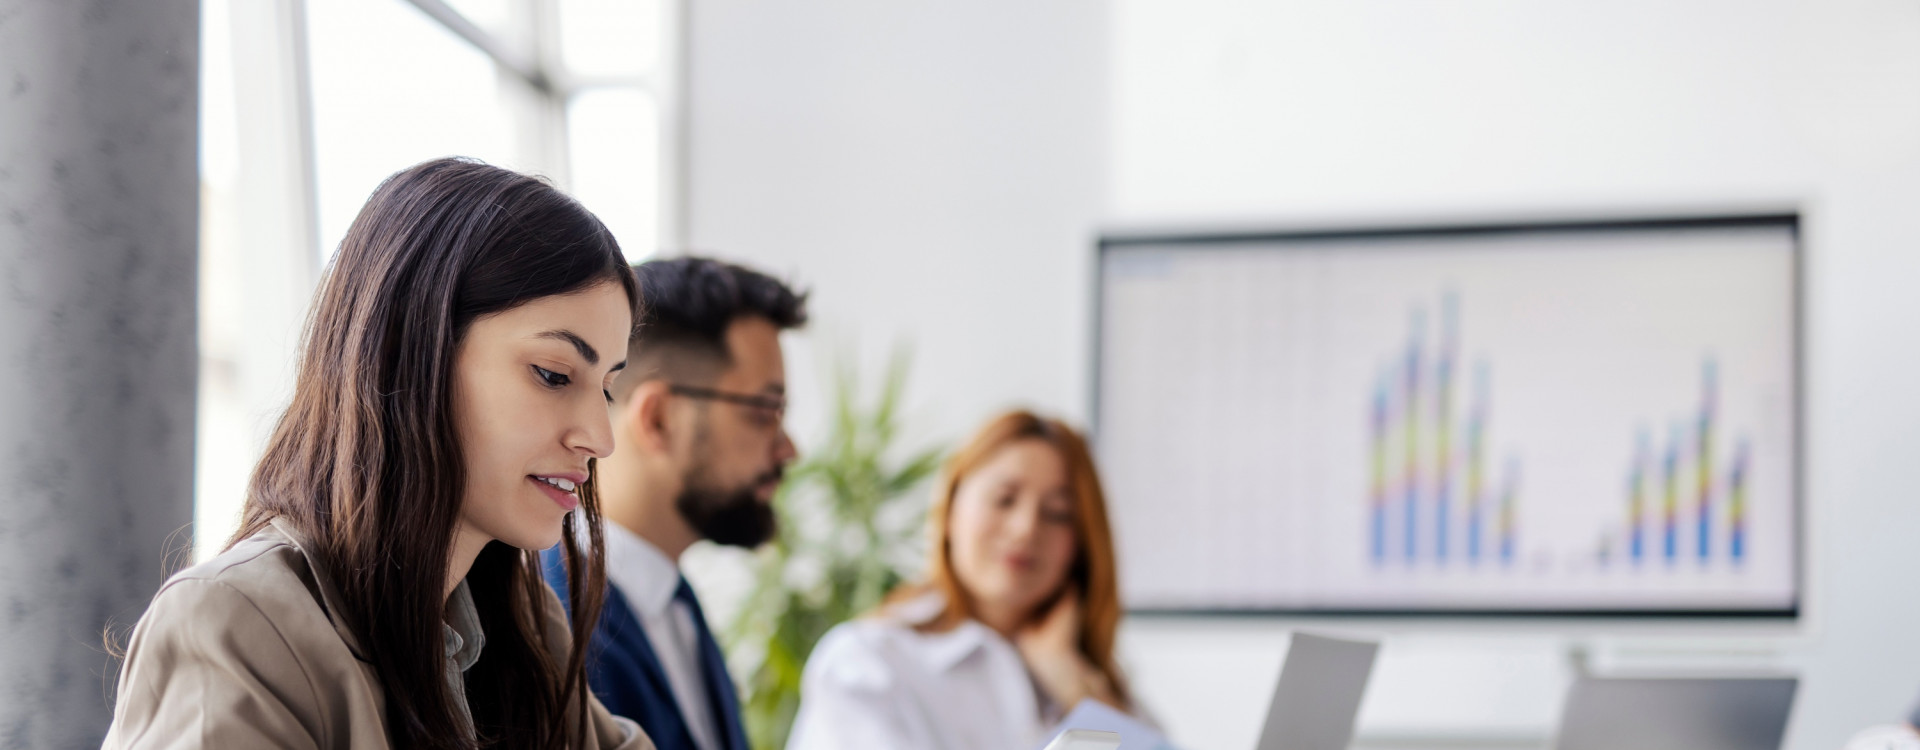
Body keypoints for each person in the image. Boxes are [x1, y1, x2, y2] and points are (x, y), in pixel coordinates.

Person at [102, 158, 652, 749]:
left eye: (607, 388)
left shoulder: (522, 624)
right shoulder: (235, 626)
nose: (600, 437)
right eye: (552, 374)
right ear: (410, 352)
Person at [542, 257, 807, 750]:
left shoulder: (675, 602)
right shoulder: (549, 621)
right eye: (764, 412)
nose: (789, 448)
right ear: (659, 419)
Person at [787, 409, 1147, 750]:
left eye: (1057, 513)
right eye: (1004, 500)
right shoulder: (868, 662)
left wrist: (1071, 680)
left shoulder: (1093, 684)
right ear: (951, 510)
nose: (1026, 529)